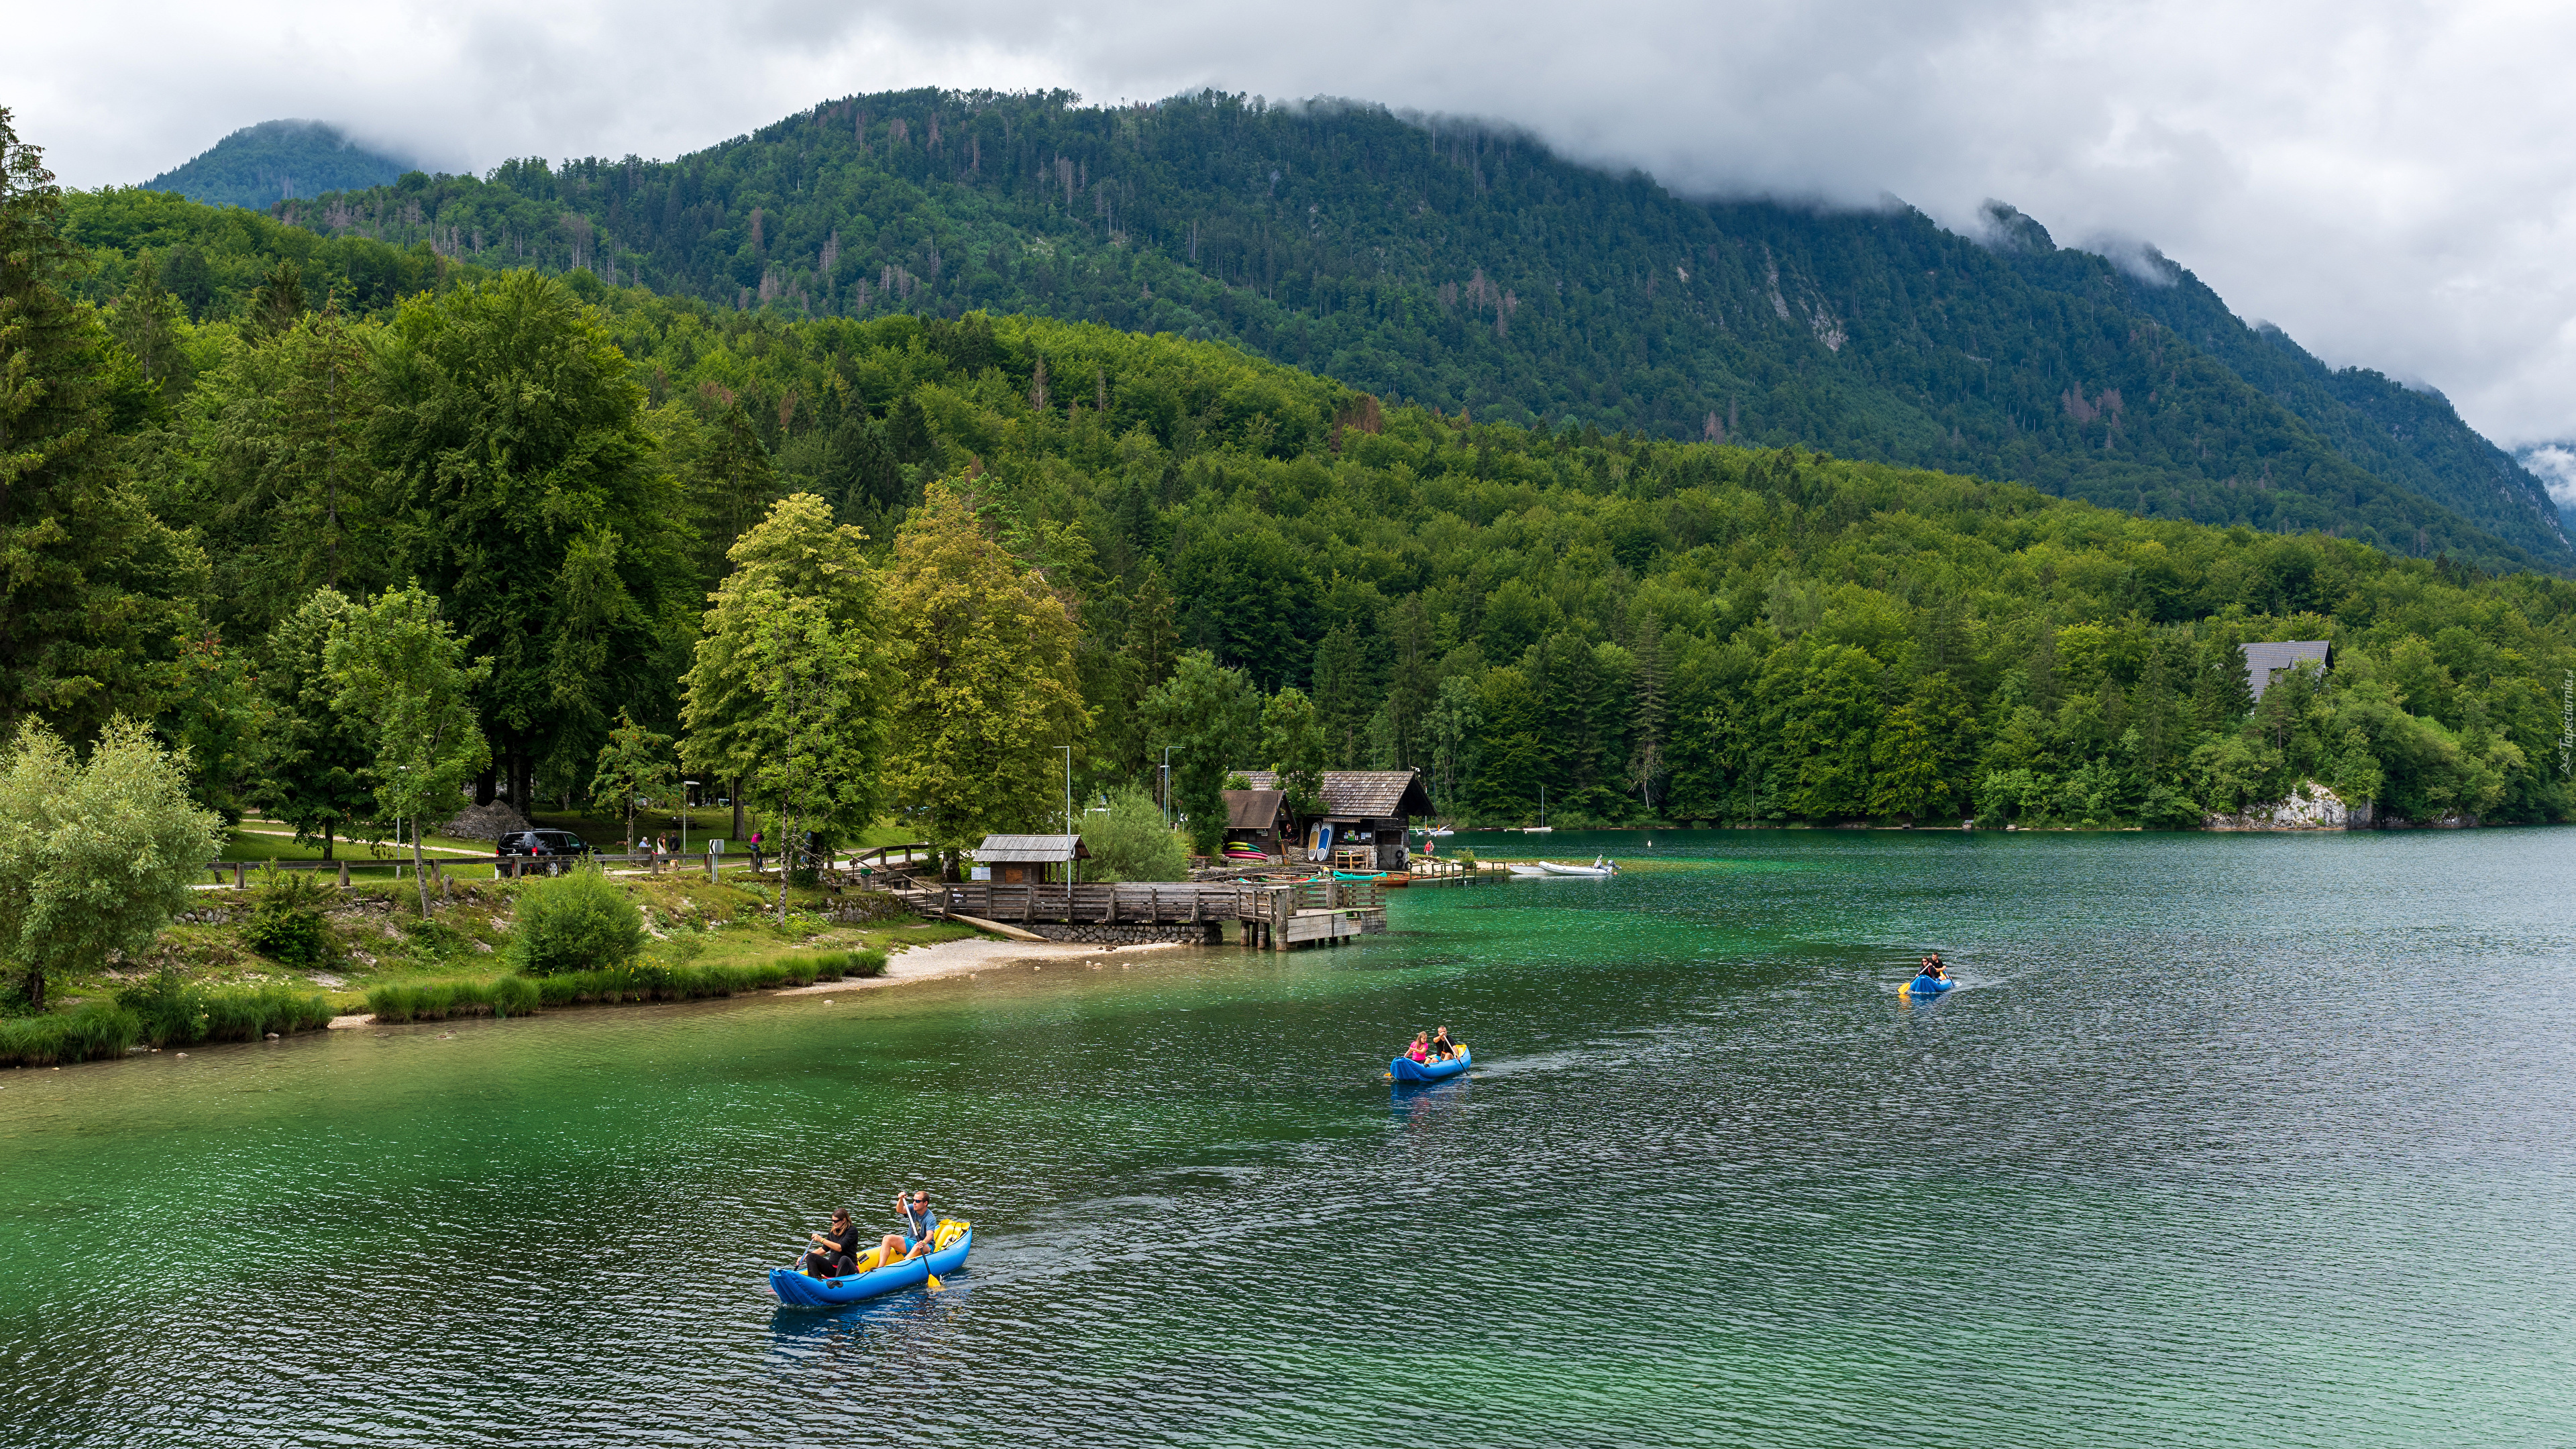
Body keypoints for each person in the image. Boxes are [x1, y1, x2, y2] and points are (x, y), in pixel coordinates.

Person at [879, 1189, 937, 1264]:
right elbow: (899, 1210)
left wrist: (924, 1242)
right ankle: (880, 1267)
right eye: (914, 1200)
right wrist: (901, 1199)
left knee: (918, 1245)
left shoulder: (930, 1218)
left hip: (925, 1246)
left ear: (925, 1203)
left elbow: (930, 1235)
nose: (914, 1203)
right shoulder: (912, 1208)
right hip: (910, 1241)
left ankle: (903, 1264)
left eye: (918, 1201)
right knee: (887, 1238)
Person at [802, 1208, 861, 1278]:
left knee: (844, 1259)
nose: (833, 1223)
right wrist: (805, 1256)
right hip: (833, 1269)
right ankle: (814, 1281)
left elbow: (840, 1248)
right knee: (811, 1256)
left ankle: (837, 1284)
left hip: (848, 1269)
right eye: (832, 1220)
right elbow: (824, 1249)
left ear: (843, 1220)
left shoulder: (852, 1231)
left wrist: (821, 1239)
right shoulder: (833, 1231)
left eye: (835, 1221)